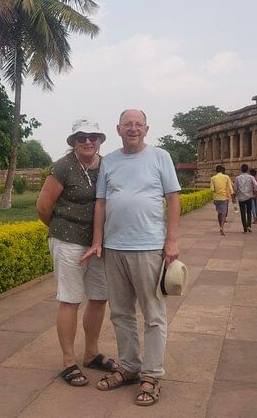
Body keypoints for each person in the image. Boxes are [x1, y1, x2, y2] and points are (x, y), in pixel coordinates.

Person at [83, 109, 181, 407]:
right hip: (114, 248)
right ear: (118, 129)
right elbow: (101, 203)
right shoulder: (110, 161)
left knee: (153, 315)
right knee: (121, 313)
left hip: (149, 247)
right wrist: (98, 241)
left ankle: (151, 375)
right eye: (128, 124)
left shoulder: (160, 157)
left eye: (138, 124)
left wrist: (171, 240)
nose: (133, 128)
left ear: (146, 129)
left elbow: (173, 198)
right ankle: (128, 367)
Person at [36, 118, 119, 387]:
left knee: (99, 297)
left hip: (98, 242)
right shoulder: (64, 167)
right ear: (73, 141)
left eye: (93, 137)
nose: (88, 141)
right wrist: (64, 228)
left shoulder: (105, 165)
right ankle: (68, 361)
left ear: (100, 141)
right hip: (69, 240)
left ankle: (91, 353)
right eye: (82, 137)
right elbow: (43, 207)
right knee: (70, 299)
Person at [210, 165, 235, 235]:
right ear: (222, 170)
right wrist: (233, 198)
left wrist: (217, 191)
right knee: (223, 213)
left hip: (216, 198)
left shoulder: (213, 178)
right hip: (224, 198)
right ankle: (222, 227)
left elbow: (212, 189)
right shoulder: (226, 177)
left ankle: (220, 227)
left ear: (216, 171)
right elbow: (231, 188)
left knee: (219, 213)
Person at [234, 163, 257, 233]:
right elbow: (256, 185)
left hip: (241, 197)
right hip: (249, 197)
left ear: (241, 169)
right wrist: (255, 192)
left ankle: (245, 228)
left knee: (243, 213)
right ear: (247, 170)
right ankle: (249, 226)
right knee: (249, 212)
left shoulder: (237, 178)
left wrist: (235, 195)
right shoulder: (251, 177)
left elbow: (235, 188)